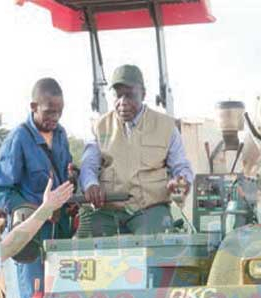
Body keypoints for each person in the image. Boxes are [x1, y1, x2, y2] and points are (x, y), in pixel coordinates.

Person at [78, 64, 193, 237]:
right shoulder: (99, 127)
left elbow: (181, 166)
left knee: (156, 248)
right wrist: (90, 184)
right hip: (108, 210)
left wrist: (180, 181)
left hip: (149, 209)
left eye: (130, 95)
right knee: (85, 246)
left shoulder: (166, 127)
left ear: (143, 94)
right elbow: (88, 164)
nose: (123, 102)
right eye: (118, 95)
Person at [0, 77, 74, 298]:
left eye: (59, 113)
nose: (54, 118)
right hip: (31, 237)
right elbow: (1, 191)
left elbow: (65, 174)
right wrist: (34, 211)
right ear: (33, 107)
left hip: (60, 231)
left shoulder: (60, 135)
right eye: (49, 112)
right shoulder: (18, 139)